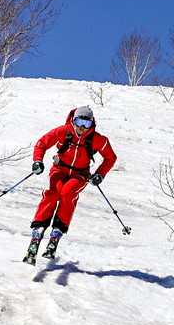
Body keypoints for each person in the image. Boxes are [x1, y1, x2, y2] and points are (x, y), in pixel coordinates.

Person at [24, 105, 117, 263]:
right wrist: (37, 161)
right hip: (59, 170)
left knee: (68, 193)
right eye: (80, 122)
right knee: (53, 193)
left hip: (80, 174)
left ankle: (56, 233)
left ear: (92, 124)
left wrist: (100, 174)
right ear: (74, 120)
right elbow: (41, 143)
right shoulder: (63, 131)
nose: (82, 127)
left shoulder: (97, 139)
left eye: (86, 124)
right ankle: (38, 229)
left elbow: (110, 157)